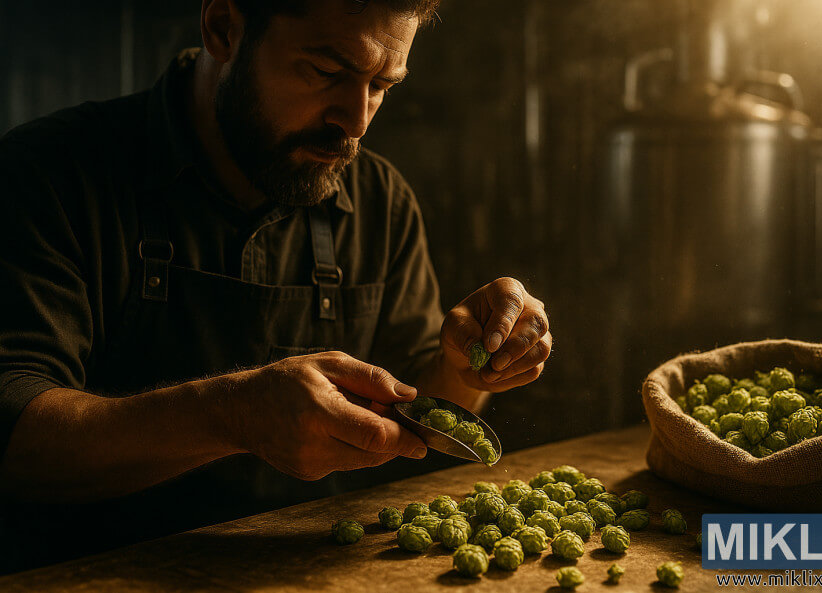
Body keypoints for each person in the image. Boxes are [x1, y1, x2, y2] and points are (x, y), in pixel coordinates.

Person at [0, 0, 552, 571]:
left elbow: (417, 403)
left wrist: (465, 366)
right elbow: (12, 432)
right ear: (224, 28)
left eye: (381, 86)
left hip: (313, 574)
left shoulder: (379, 201)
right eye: (325, 71)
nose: (356, 122)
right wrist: (232, 414)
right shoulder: (46, 175)